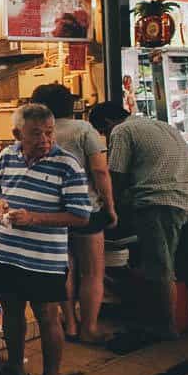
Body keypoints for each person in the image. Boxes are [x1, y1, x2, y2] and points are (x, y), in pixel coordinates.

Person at [0, 103, 91, 375]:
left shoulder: (67, 165)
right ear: (18, 134)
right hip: (5, 253)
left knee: (46, 316)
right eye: (36, 133)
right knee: (11, 313)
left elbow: (81, 216)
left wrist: (35, 218)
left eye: (49, 132)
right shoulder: (6, 157)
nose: (44, 139)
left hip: (43, 260)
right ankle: (16, 369)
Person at [88, 102, 188, 337]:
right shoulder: (162, 125)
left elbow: (116, 175)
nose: (105, 135)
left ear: (108, 123)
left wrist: (108, 207)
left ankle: (167, 327)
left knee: (161, 267)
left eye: (102, 131)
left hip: (160, 204)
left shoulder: (121, 131)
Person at [31, 84, 117, 345]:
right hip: (85, 209)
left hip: (51, 212)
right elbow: (100, 172)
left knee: (63, 269)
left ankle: (68, 323)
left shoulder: (37, 133)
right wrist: (110, 207)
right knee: (92, 272)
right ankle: (89, 327)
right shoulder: (83, 130)